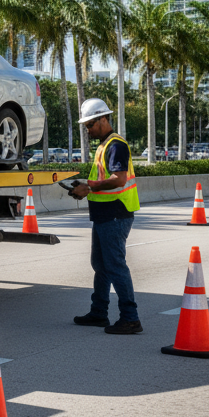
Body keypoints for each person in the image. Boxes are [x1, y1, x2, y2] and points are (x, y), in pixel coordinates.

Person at [70, 98, 142, 334]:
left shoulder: (115, 145)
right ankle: (99, 312)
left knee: (115, 266)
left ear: (103, 119)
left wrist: (88, 188)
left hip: (115, 214)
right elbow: (104, 178)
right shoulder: (104, 145)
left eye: (90, 125)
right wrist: (85, 185)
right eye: (86, 126)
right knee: (101, 265)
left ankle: (130, 318)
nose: (88, 130)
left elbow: (118, 179)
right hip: (104, 215)